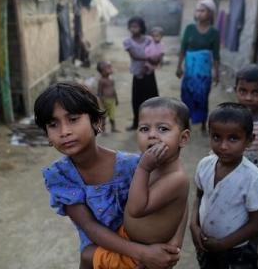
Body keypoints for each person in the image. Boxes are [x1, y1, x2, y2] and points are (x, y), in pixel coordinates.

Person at [37, 82, 180, 269]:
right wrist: (142, 254)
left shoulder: (134, 166)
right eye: (53, 124)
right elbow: (90, 227)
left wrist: (172, 247)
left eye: (73, 119)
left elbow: (176, 201)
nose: (64, 132)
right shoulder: (61, 176)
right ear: (47, 134)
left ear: (96, 121)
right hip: (101, 255)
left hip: (145, 254)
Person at [92, 97, 190, 269]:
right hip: (132, 242)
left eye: (163, 128)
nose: (152, 134)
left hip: (147, 254)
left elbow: (136, 210)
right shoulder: (155, 165)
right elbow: (183, 204)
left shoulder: (175, 177)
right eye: (144, 128)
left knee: (88, 256)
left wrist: (143, 169)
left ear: (183, 138)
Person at [190, 102, 258, 269]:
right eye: (216, 137)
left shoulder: (253, 178)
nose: (223, 146)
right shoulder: (205, 165)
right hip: (205, 245)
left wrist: (223, 244)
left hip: (237, 253)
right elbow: (199, 196)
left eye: (233, 138)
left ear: (249, 140)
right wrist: (194, 225)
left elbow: (257, 223)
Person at [176, 0, 220, 134]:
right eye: (197, 10)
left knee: (202, 97)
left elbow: (216, 55)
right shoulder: (189, 29)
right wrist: (179, 66)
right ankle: (187, 123)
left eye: (202, 10)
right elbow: (183, 49)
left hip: (204, 72)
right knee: (187, 95)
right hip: (190, 70)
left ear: (210, 13)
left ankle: (202, 124)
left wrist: (216, 72)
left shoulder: (214, 32)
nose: (199, 13)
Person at [123, 17, 159, 131]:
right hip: (138, 74)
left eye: (136, 26)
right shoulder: (128, 42)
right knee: (137, 100)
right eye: (132, 26)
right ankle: (136, 123)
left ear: (141, 27)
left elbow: (156, 52)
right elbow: (134, 56)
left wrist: (155, 59)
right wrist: (150, 58)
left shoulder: (149, 39)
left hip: (149, 73)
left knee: (152, 98)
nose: (134, 29)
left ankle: (154, 123)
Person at [96, 61, 119, 133]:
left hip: (112, 100)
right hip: (104, 101)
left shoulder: (111, 80)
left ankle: (113, 128)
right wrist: (100, 101)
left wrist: (116, 99)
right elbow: (99, 92)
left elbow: (114, 90)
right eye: (107, 68)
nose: (109, 69)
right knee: (104, 117)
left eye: (109, 67)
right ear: (101, 72)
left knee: (112, 115)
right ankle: (103, 130)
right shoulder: (101, 80)